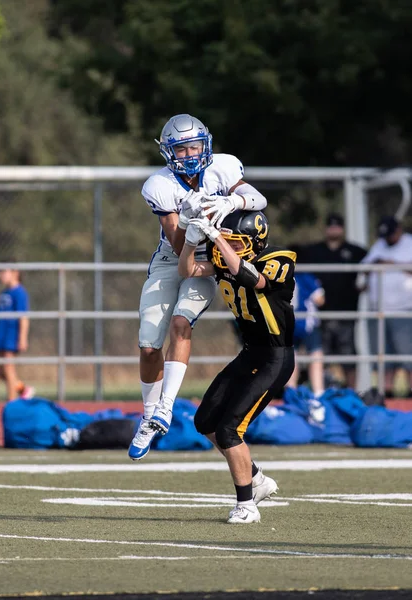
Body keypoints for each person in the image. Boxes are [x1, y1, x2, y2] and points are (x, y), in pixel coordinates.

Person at [128, 114, 268, 460]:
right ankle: (149, 415)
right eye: (182, 148)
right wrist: (192, 224)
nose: (190, 154)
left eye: (194, 145)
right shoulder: (159, 185)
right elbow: (179, 251)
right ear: (168, 152)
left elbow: (258, 200)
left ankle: (166, 407)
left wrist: (232, 202)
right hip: (172, 257)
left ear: (205, 144)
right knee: (148, 344)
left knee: (181, 322)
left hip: (211, 261)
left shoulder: (222, 168)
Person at [178, 210, 296, 524]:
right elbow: (187, 269)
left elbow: (253, 279)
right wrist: (191, 242)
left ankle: (247, 505)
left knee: (230, 429)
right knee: (205, 421)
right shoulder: (226, 260)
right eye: (227, 239)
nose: (226, 245)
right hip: (251, 354)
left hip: (275, 357)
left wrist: (216, 235)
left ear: (255, 242)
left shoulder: (279, 260)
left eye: (234, 240)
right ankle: (256, 479)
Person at [304, 213, 366, 388]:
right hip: (320, 315)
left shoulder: (355, 251)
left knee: (348, 355)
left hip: (347, 312)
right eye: (330, 226)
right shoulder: (314, 251)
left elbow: (370, 266)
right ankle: (322, 394)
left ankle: (353, 393)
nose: (333, 230)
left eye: (337, 226)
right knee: (320, 356)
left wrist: (365, 285)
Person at [361, 216, 412, 398]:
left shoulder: (409, 244)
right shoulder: (379, 245)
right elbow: (363, 268)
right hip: (378, 311)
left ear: (398, 230)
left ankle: (408, 397)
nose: (388, 239)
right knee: (382, 359)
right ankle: (388, 395)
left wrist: (391, 264)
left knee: (407, 357)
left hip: (403, 311)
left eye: (390, 235)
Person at [0, 263, 34, 401]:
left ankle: (12, 402)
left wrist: (22, 338)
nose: (1, 275)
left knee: (9, 368)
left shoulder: (19, 292)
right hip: (1, 336)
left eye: (4, 272)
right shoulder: (4, 293)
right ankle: (22, 389)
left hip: (12, 335)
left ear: (15, 273)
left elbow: (23, 317)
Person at [286, 272, 325, 396]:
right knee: (315, 354)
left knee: (291, 357)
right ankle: (318, 391)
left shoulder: (280, 275)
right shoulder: (306, 276)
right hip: (307, 323)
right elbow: (320, 300)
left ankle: (290, 391)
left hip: (288, 323)